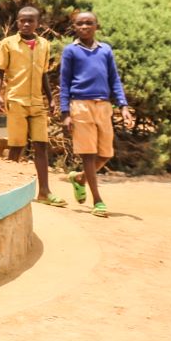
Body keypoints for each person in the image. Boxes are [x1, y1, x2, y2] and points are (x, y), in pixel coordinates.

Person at [60, 11, 132, 218]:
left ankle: (80, 178)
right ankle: (97, 200)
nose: (84, 27)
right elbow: (64, 83)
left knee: (106, 153)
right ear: (75, 27)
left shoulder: (105, 50)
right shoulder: (71, 51)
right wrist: (66, 112)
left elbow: (114, 80)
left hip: (103, 106)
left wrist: (123, 106)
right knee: (88, 154)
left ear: (96, 26)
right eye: (80, 24)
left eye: (89, 23)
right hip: (80, 106)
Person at [0, 6, 65, 206]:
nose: (26, 24)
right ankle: (8, 193)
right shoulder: (7, 44)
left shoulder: (44, 45)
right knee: (16, 147)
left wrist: (50, 98)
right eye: (22, 20)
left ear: (37, 24)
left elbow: (43, 74)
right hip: (16, 100)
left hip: (37, 102)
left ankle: (44, 191)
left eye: (30, 21)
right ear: (17, 22)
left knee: (41, 145)